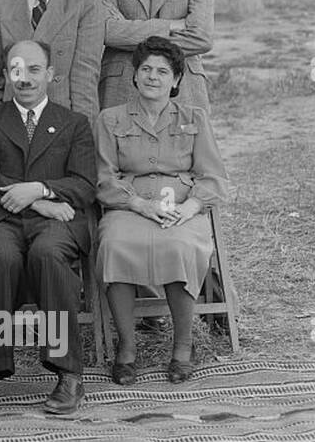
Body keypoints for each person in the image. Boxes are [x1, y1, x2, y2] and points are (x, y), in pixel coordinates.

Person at [0, 39, 96, 416]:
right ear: (5, 75)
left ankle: (69, 373)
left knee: (49, 254)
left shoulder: (75, 124)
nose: (25, 78)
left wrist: (43, 188)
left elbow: (84, 184)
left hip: (55, 225)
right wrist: (37, 201)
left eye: (34, 69)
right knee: (1, 257)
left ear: (50, 74)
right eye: (16, 70)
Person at [96, 37, 229, 385]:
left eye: (163, 71)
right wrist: (138, 203)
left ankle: (182, 347)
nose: (153, 77)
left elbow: (213, 176)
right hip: (129, 205)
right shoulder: (110, 119)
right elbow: (102, 178)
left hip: (181, 208)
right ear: (135, 77)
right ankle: (127, 348)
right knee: (114, 245)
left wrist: (191, 207)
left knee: (180, 246)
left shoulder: (193, 117)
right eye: (146, 70)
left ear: (176, 80)